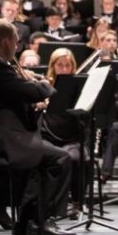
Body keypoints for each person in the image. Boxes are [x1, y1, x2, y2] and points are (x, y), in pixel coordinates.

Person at [0, 19, 75, 235]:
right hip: (4, 141)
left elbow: (13, 97)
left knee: (43, 161)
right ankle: (41, 220)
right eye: (16, 41)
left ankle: (28, 221)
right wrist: (46, 83)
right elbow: (32, 92)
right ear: (7, 42)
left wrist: (30, 88)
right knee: (61, 158)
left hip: (2, 137)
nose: (18, 46)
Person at [40, 48, 86, 217]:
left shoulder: (78, 87)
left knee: (73, 158)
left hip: (72, 139)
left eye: (68, 65)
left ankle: (76, 203)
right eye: (60, 65)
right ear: (53, 66)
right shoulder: (44, 86)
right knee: (57, 158)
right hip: (48, 138)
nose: (64, 69)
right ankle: (53, 205)